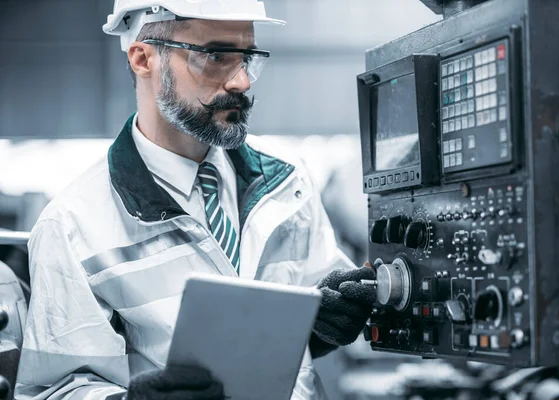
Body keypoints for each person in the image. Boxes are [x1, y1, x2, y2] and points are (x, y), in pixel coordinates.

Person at [14, 1, 377, 399]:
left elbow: (310, 319)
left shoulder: (287, 185)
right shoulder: (73, 226)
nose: (242, 82)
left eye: (248, 57)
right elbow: (54, 389)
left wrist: (323, 325)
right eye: (216, 56)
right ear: (142, 58)